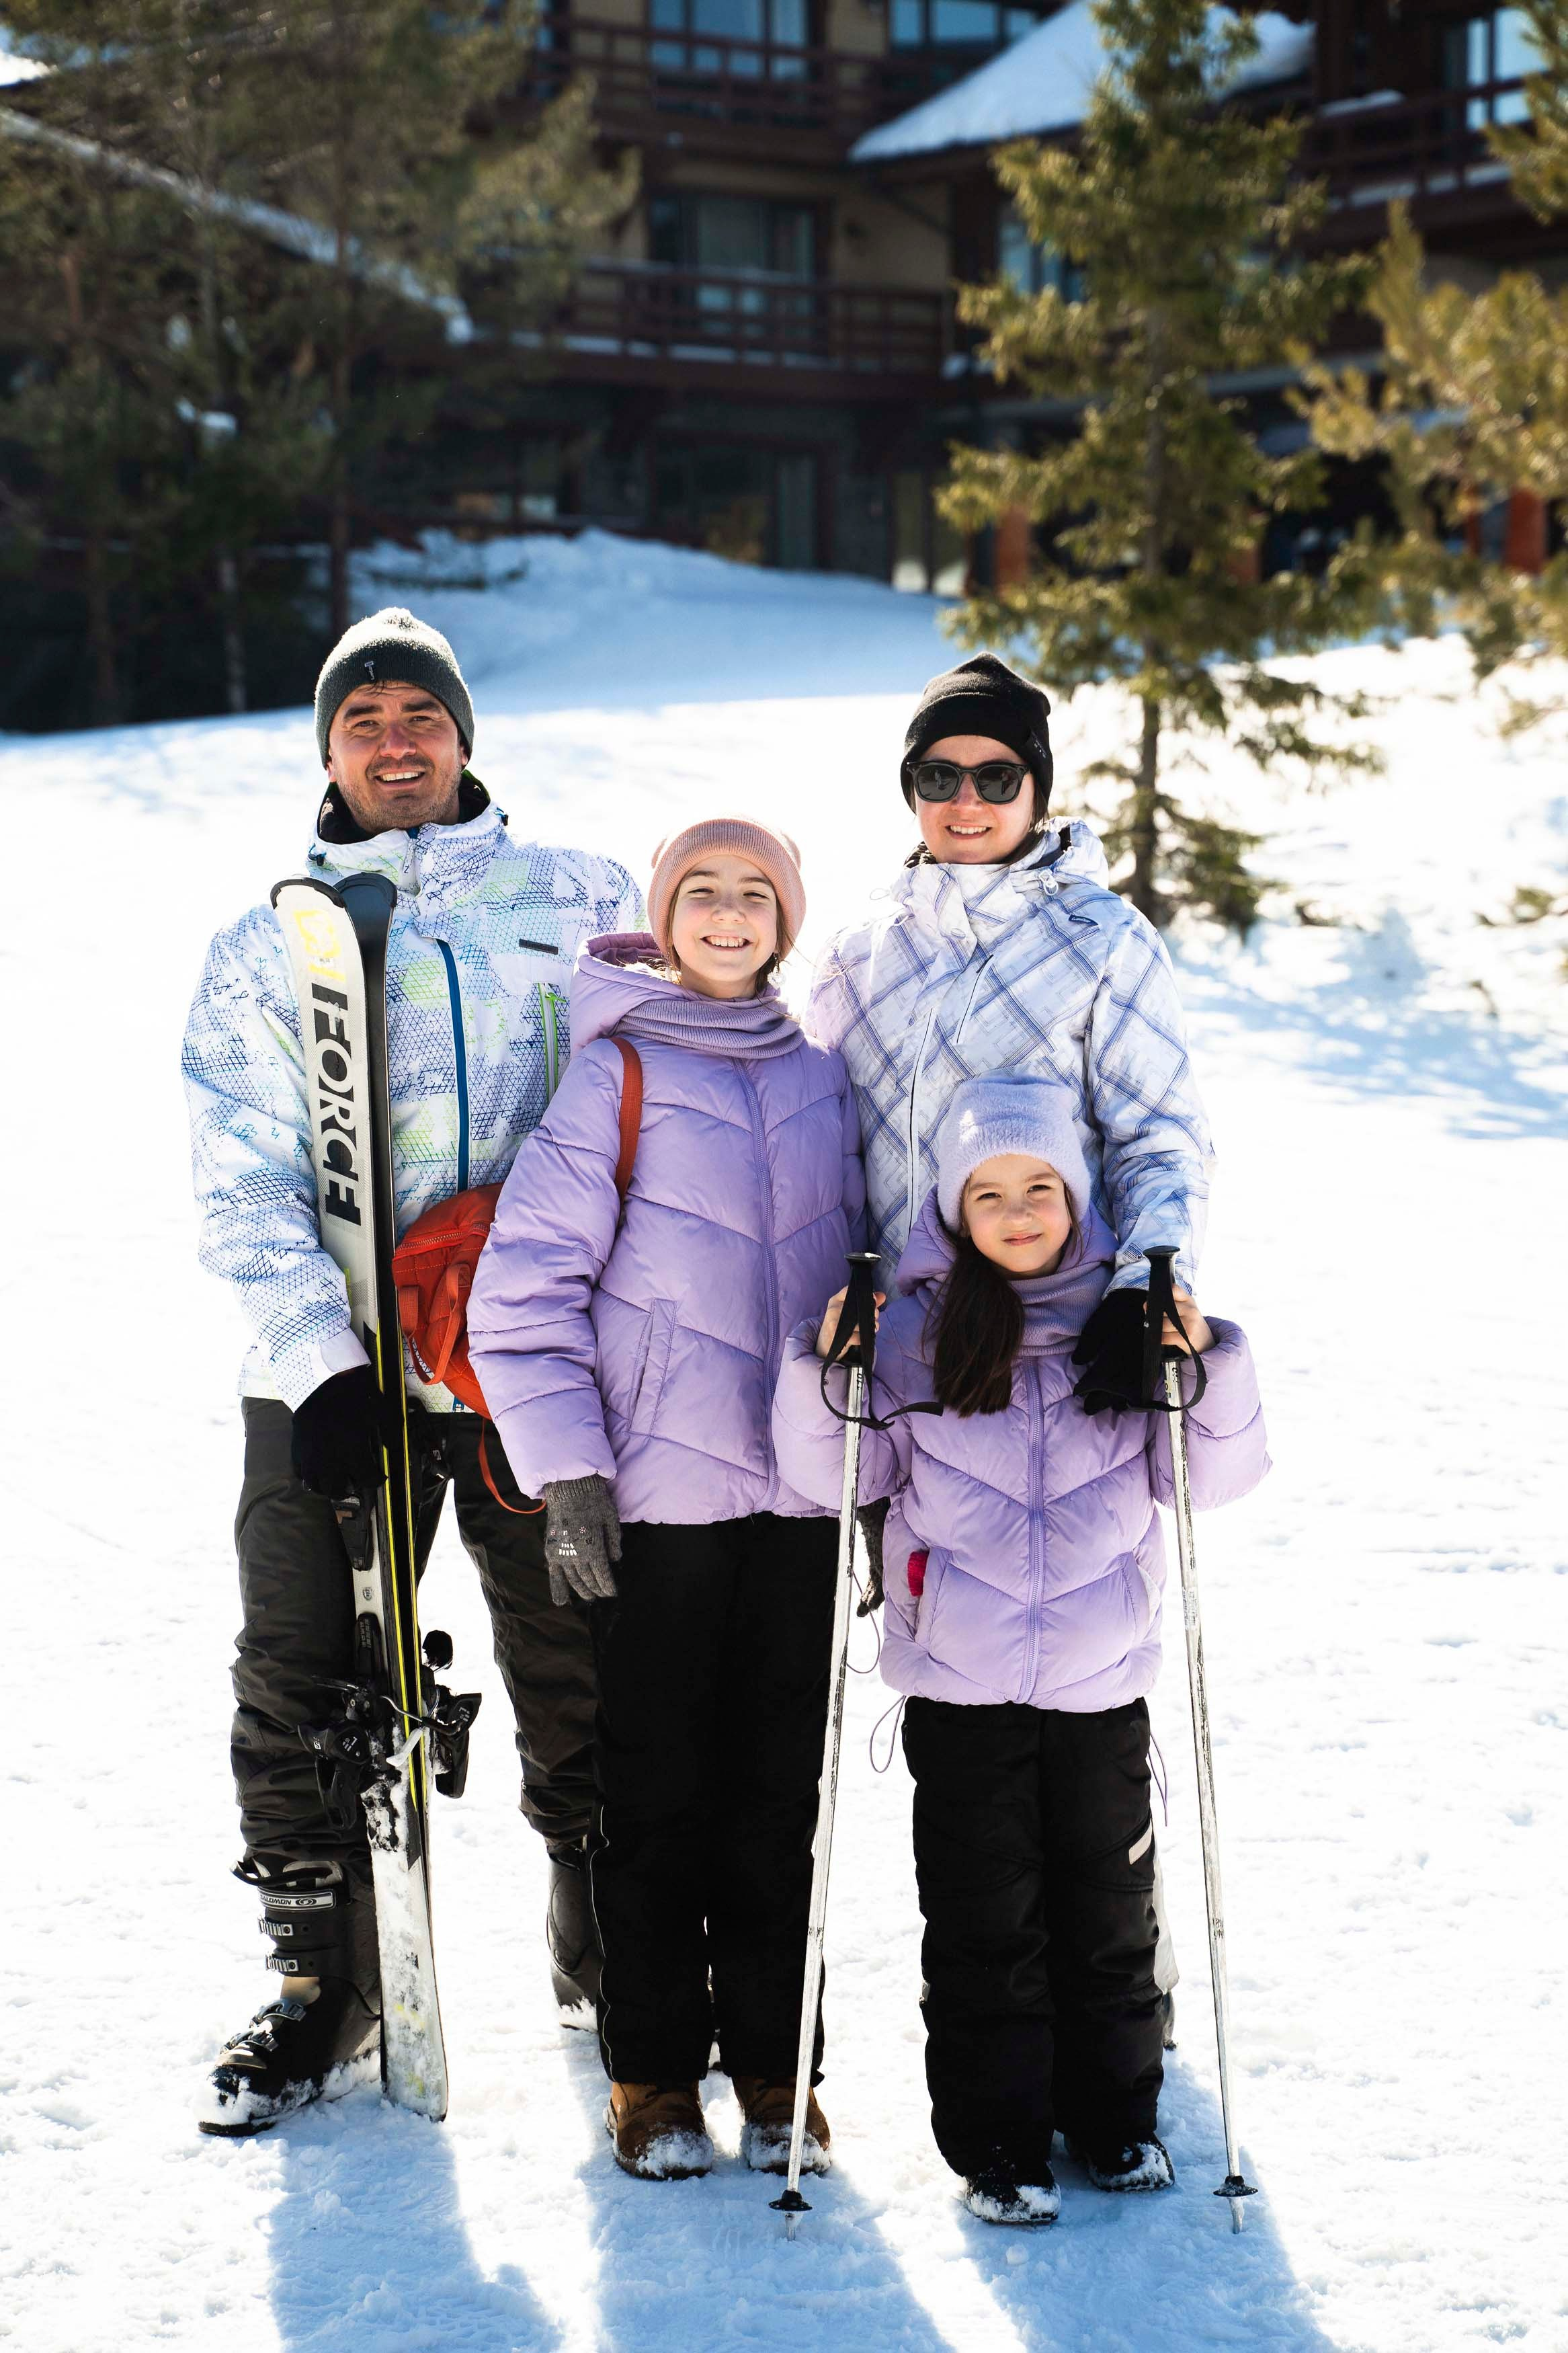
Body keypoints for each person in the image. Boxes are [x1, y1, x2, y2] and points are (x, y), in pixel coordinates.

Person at [183, 606, 641, 2135]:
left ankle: (609, 1942)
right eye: (363, 716)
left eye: (419, 713)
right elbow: (239, 1175)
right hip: (336, 1373)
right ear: (328, 749)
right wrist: (318, 1367)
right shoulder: (267, 947)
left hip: (528, 1365)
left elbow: (659, 1104)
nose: (394, 738)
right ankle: (325, 1977)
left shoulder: (576, 898)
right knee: (301, 1670)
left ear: (462, 734)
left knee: (587, 1660)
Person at [774, 1075, 1268, 2225]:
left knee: (1108, 1914)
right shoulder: (915, 1334)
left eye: (1039, 1187)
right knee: (984, 1921)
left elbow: (1211, 1479)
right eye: (987, 1192)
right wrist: (824, 1372)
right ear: (952, 1211)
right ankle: (998, 2143)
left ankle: (1113, 2120)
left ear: (1076, 1197)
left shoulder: (1128, 1325)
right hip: (961, 1689)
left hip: (1102, 1689)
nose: (1017, 1211)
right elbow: (831, 1478)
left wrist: (1211, 1364)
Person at [806, 650, 1214, 2007]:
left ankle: (1111, 2007)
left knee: (1084, 1658)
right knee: (959, 1651)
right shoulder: (867, 945)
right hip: (928, 1344)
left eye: (995, 775)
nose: (967, 798)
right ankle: (1001, 2008)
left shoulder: (1105, 939)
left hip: (1071, 1335)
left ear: (1037, 788)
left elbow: (1157, 1130)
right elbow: (827, 1134)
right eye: (939, 775)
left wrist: (1145, 1285)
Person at [468, 817, 864, 2182]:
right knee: (654, 1800)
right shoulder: (615, 1072)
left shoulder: (824, 1076)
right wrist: (569, 1467)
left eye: (759, 894)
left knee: (776, 1798)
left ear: (787, 922)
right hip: (661, 1505)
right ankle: (647, 2075)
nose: (731, 914)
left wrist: (875, 1477)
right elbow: (521, 1298)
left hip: (802, 1507)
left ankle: (774, 2066)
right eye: (704, 893)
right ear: (668, 915)